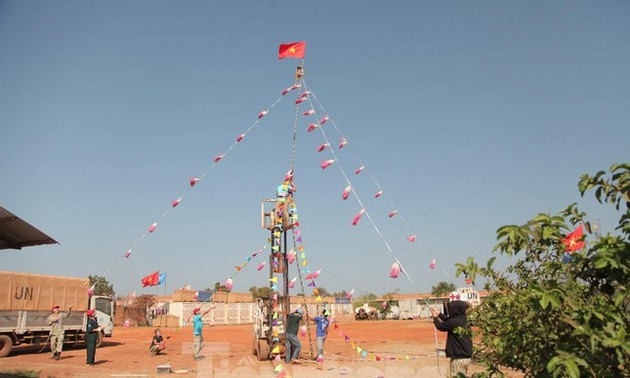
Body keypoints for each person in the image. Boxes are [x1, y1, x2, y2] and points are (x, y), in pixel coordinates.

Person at [430, 300, 473, 377]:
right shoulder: (463, 319)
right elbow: (449, 320)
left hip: (458, 359)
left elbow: (441, 326)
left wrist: (435, 317)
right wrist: (439, 314)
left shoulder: (455, 322)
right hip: (465, 357)